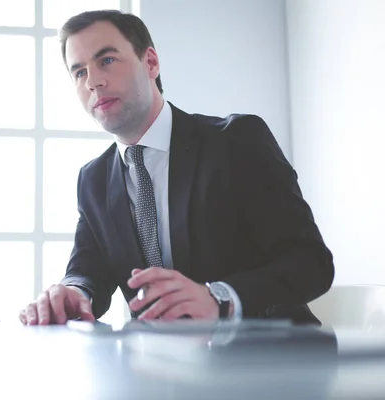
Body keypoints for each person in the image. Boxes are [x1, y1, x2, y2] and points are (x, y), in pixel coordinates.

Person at [18, 10, 334, 326]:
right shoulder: (93, 179)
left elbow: (311, 264)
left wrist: (219, 298)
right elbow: (87, 271)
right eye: (79, 72)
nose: (93, 81)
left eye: (107, 60)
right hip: (157, 366)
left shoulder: (237, 142)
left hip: (271, 361)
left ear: (151, 62)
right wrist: (76, 292)